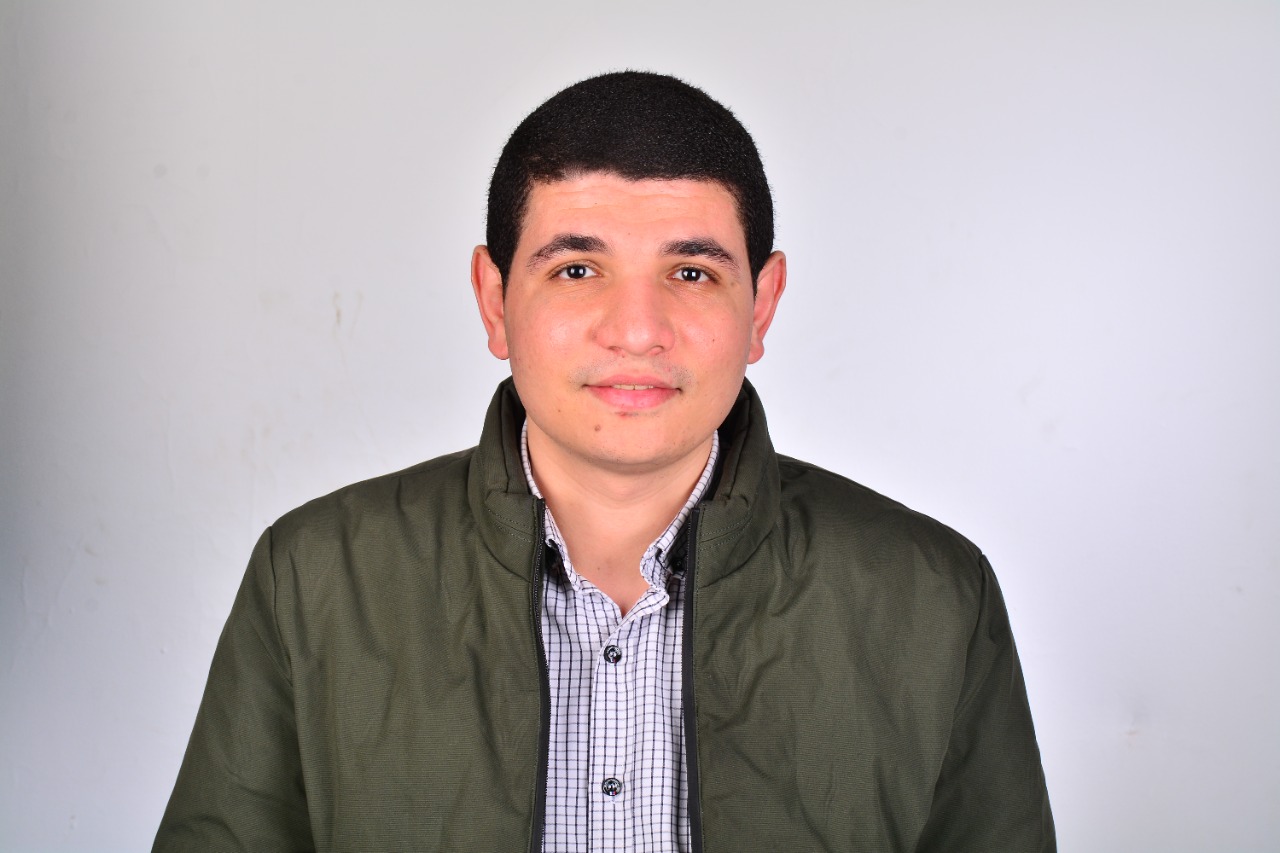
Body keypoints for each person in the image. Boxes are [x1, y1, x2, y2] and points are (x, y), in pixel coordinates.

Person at [154, 71, 1055, 852]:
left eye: (691, 272)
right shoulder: (314, 579)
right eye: (577, 270)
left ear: (762, 305)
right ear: (495, 300)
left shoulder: (933, 597)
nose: (636, 330)